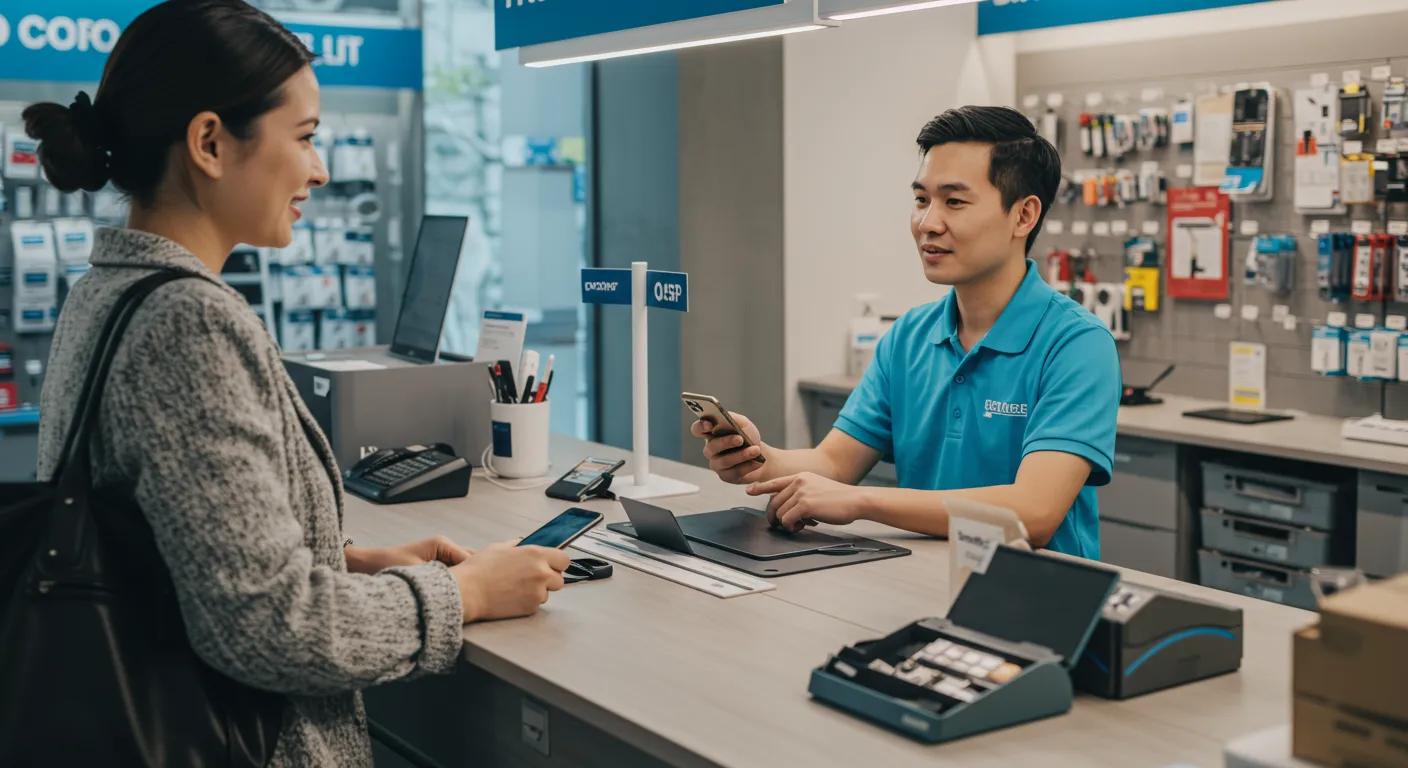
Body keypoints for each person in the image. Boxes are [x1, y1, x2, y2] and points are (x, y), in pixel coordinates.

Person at [28, 2, 569, 765]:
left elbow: (164, 546)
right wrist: (467, 593)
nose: (320, 170)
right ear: (210, 143)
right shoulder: (187, 322)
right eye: (306, 137)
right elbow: (270, 629)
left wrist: (346, 562)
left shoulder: (106, 291)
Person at [692, 106, 1120, 558]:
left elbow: (1033, 513)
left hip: (1032, 593)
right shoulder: (910, 336)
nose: (928, 223)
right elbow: (834, 462)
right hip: (921, 582)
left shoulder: (1077, 344)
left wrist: (862, 502)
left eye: (954, 202)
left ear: (1023, 215)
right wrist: (756, 458)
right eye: (921, 199)